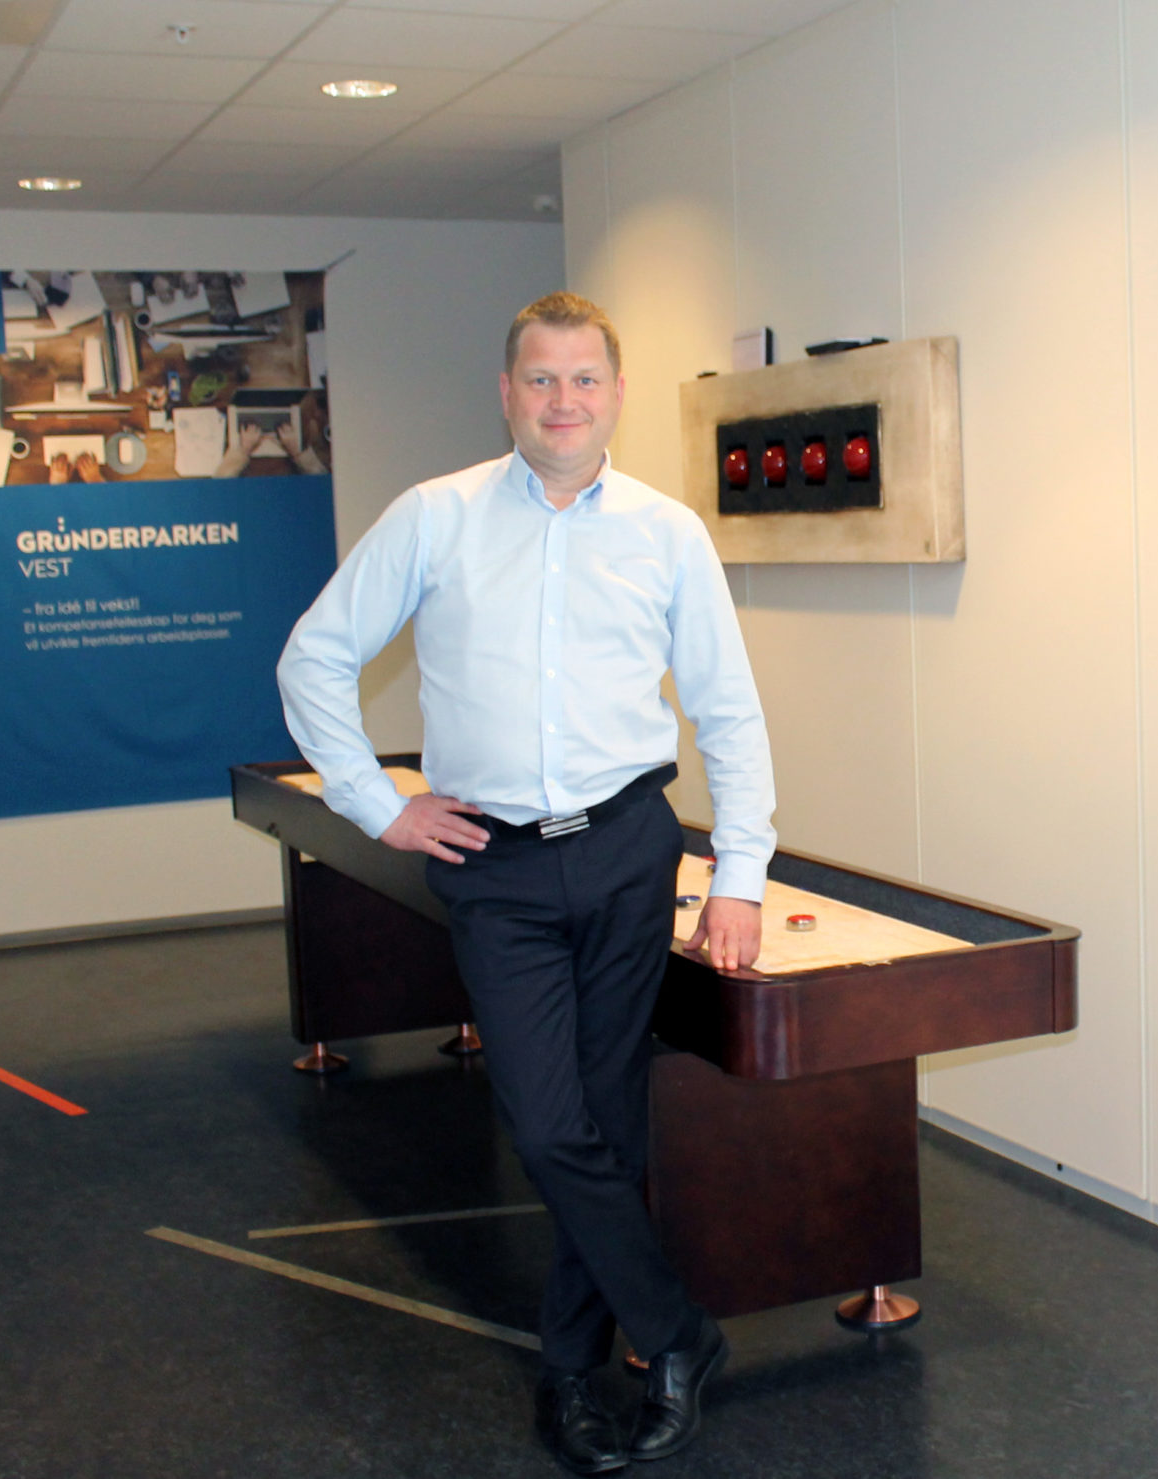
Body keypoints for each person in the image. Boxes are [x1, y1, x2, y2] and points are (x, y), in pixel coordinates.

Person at [274, 291, 773, 1475]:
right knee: (548, 1126)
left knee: (597, 1125)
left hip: (624, 850)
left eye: (584, 380)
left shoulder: (666, 531)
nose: (563, 401)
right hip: (490, 863)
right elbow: (314, 656)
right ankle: (677, 1333)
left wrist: (741, 874)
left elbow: (727, 711)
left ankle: (569, 1376)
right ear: (507, 394)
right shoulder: (433, 518)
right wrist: (377, 800)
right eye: (540, 380)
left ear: (614, 393)